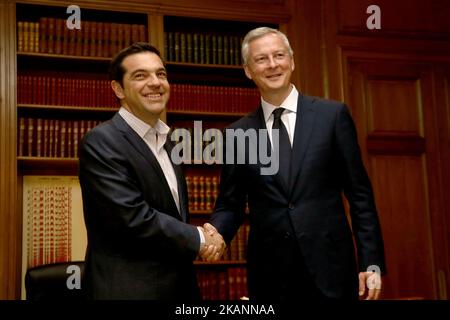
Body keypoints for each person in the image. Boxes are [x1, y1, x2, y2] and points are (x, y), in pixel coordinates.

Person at [205, 27, 386, 300]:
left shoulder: (332, 116)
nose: (273, 64)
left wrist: (370, 262)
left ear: (292, 61)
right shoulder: (237, 134)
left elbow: (359, 195)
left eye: (279, 55)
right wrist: (217, 232)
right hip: (271, 275)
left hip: (333, 269)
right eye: (261, 59)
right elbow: (230, 204)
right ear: (248, 70)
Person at [78, 42, 225, 300]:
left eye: (161, 74)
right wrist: (201, 239)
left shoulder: (167, 140)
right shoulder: (102, 141)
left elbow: (169, 213)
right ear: (118, 88)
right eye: (140, 75)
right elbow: (131, 217)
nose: (155, 82)